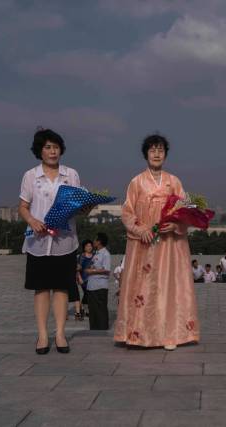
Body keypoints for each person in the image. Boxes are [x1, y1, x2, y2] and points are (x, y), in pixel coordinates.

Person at [113, 134, 199, 350]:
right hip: (145, 244)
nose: (157, 154)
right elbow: (126, 212)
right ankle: (139, 334)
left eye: (160, 150)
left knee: (168, 288)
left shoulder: (174, 182)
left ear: (165, 155)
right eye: (153, 150)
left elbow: (186, 211)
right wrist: (140, 229)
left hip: (169, 245)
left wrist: (176, 225)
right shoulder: (136, 182)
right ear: (146, 154)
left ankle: (170, 335)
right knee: (143, 288)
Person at [19, 128, 80, 355]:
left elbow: (76, 205)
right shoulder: (31, 176)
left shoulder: (71, 174)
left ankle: (61, 333)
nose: (52, 151)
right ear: (39, 151)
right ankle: (43, 335)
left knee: (62, 288)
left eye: (55, 147)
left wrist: (87, 206)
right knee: (42, 288)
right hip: (38, 241)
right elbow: (23, 206)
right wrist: (32, 220)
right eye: (47, 147)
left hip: (64, 240)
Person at [86, 233, 111, 330]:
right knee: (92, 309)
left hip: (100, 286)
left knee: (101, 309)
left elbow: (106, 269)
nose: (93, 242)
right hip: (91, 286)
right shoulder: (96, 253)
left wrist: (92, 271)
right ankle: (94, 328)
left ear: (99, 241)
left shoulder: (105, 254)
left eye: (95, 240)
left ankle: (102, 328)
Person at [76, 239, 95, 320]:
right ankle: (84, 309)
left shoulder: (95, 255)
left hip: (93, 278)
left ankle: (83, 308)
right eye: (87, 246)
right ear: (84, 247)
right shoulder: (82, 256)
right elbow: (78, 269)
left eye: (90, 246)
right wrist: (79, 278)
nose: (89, 247)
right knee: (87, 293)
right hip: (83, 278)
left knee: (89, 294)